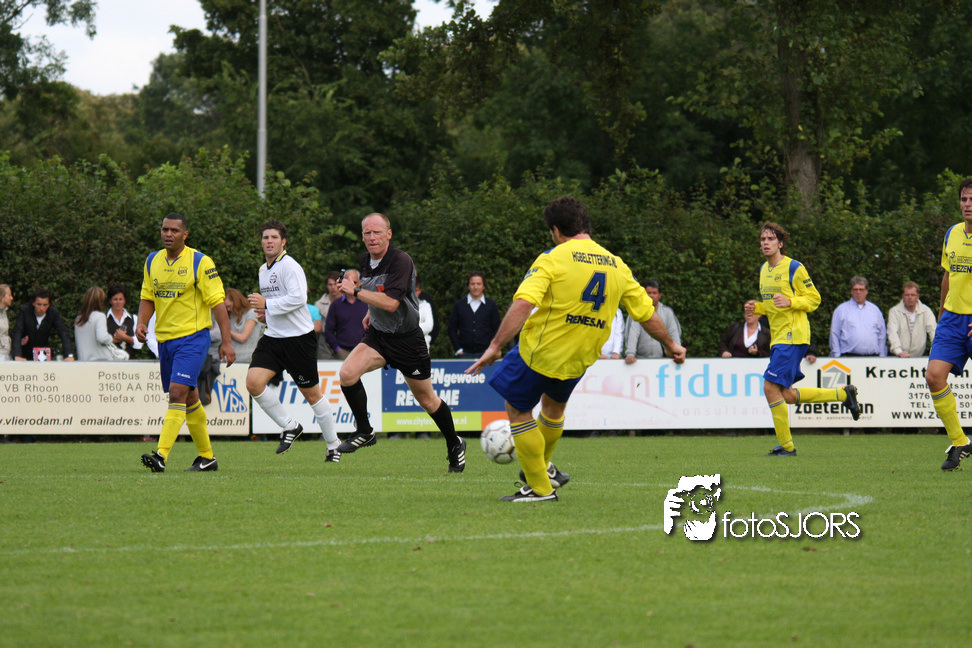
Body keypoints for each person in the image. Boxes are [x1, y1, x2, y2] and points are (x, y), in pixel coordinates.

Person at [467, 196, 687, 501]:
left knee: (517, 411)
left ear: (557, 231)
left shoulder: (553, 257)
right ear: (585, 225)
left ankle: (540, 488)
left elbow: (524, 303)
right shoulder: (617, 265)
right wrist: (671, 344)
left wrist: (495, 345)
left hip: (542, 351)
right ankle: (543, 468)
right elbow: (646, 314)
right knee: (553, 409)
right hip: (580, 357)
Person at [335, 213, 467, 472]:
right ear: (362, 236)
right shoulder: (364, 260)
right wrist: (369, 312)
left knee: (428, 400)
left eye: (377, 232)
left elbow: (392, 303)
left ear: (389, 234)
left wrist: (356, 292)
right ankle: (365, 431)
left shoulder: (401, 261)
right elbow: (377, 293)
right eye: (367, 233)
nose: (372, 237)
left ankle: (455, 443)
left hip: (407, 340)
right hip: (379, 336)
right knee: (347, 374)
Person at [748, 222, 861, 457]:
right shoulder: (764, 270)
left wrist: (791, 301)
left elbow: (814, 299)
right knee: (787, 395)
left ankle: (787, 446)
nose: (765, 243)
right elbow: (773, 306)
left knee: (769, 387)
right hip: (779, 338)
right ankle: (843, 394)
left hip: (793, 336)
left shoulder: (794, 267)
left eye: (770, 239)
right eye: (762, 239)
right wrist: (757, 308)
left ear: (780, 243)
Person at [136, 213, 236, 473]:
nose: (168, 234)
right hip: (165, 341)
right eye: (165, 229)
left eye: (174, 230)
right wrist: (141, 322)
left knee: (177, 392)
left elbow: (218, 304)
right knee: (190, 398)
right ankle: (207, 457)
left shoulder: (200, 262)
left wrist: (227, 342)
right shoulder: (152, 260)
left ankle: (161, 455)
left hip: (193, 338)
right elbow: (148, 297)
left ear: (185, 235)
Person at [244, 220, 341, 460]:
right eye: (265, 237)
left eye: (274, 237)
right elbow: (279, 304)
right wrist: (267, 314)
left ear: (283, 241)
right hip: (273, 338)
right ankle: (290, 426)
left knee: (312, 395)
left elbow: (298, 299)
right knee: (253, 383)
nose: (269, 241)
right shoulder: (263, 270)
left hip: (298, 340)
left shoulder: (290, 266)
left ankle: (333, 444)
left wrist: (268, 305)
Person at [926, 178, 972, 471]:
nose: (968, 205)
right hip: (953, 320)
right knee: (934, 376)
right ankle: (960, 442)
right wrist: (942, 312)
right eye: (964, 199)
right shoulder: (952, 233)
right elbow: (947, 275)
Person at [829, 276, 888, 357]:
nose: (858, 292)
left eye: (861, 289)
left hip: (873, 358)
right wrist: (836, 356)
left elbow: (882, 335)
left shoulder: (875, 310)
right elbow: (834, 334)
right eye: (855, 289)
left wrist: (882, 356)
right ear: (851, 291)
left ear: (866, 291)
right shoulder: (841, 310)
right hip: (849, 358)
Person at [624, 280, 681, 363]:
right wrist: (630, 354)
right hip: (639, 361)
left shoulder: (668, 313)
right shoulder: (636, 312)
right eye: (649, 293)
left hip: (663, 360)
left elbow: (674, 333)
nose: (651, 296)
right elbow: (632, 334)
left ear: (659, 295)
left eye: (654, 293)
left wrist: (678, 353)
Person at [11, 288, 75, 361]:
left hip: (43, 354)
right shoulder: (24, 310)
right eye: (39, 304)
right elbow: (17, 332)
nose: (42, 308)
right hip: (24, 354)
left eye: (45, 305)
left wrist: (69, 355)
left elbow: (63, 332)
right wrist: (17, 355)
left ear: (49, 304)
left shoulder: (53, 313)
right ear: (33, 303)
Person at [447, 271, 501, 358]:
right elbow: (451, 328)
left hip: (486, 354)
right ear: (468, 286)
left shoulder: (491, 305)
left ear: (483, 286)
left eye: (478, 284)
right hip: (464, 354)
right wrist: (458, 349)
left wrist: (491, 349)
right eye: (472, 284)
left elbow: (497, 329)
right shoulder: (459, 305)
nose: (475, 287)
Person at [323, 269, 368, 360]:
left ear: (359, 283)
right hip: (343, 352)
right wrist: (337, 349)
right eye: (349, 282)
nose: (352, 285)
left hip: (363, 351)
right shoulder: (336, 305)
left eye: (354, 282)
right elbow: (328, 330)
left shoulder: (366, 304)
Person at [74, 287, 128, 361]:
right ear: (101, 300)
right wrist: (112, 338)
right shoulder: (100, 316)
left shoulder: (78, 318)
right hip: (100, 361)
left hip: (83, 360)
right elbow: (102, 338)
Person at [887, 281, 937, 358]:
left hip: (919, 357)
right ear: (903, 296)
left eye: (913, 295)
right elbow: (892, 332)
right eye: (907, 295)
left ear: (918, 296)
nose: (910, 297)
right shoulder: (894, 311)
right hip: (899, 357)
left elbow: (933, 331)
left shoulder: (926, 311)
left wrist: (935, 351)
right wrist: (898, 351)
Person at [223, 287, 263, 363]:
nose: (228, 309)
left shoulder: (252, 313)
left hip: (249, 358)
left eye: (229, 306)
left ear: (236, 302)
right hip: (233, 357)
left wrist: (225, 330)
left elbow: (243, 338)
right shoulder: (231, 316)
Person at [106, 284, 142, 359]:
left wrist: (125, 337)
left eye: (121, 299)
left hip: (130, 362)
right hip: (109, 362)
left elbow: (139, 344)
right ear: (110, 301)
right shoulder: (104, 319)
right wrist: (112, 340)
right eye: (115, 299)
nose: (118, 302)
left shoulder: (134, 318)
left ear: (125, 300)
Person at [313, 271, 342, 359]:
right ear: (326, 286)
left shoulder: (348, 302)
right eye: (330, 284)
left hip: (343, 340)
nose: (333, 287)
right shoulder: (319, 305)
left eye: (335, 284)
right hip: (324, 342)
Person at [416, 278, 435, 350]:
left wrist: (409, 330)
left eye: (416, 290)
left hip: (422, 348)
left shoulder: (425, 305)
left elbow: (429, 326)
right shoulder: (400, 306)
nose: (413, 293)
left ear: (420, 291)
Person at [0, 284, 12, 361]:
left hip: (5, 353)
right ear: (2, 298)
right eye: (9, 295)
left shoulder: (4, 312)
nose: (11, 298)